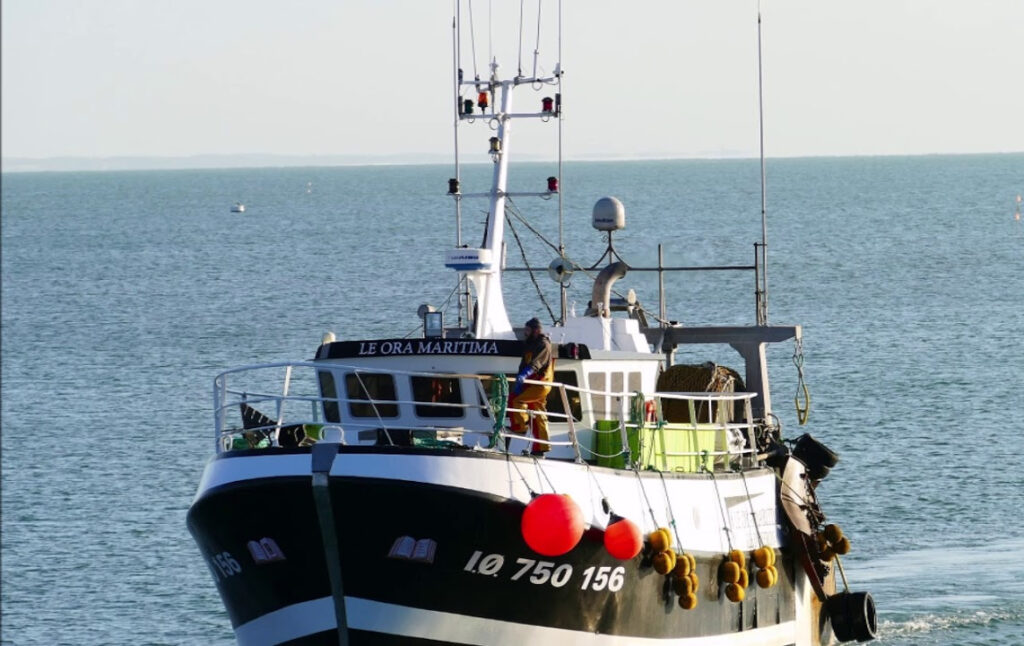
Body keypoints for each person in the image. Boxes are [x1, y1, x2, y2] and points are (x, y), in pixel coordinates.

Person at [509, 317, 555, 456]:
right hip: (532, 383)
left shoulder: (543, 344)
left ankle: (520, 427)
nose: (525, 332)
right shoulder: (530, 344)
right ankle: (541, 447)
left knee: (516, 400)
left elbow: (535, 364)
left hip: (540, 383)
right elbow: (524, 363)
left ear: (535, 331)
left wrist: (524, 375)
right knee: (538, 415)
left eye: (528, 330)